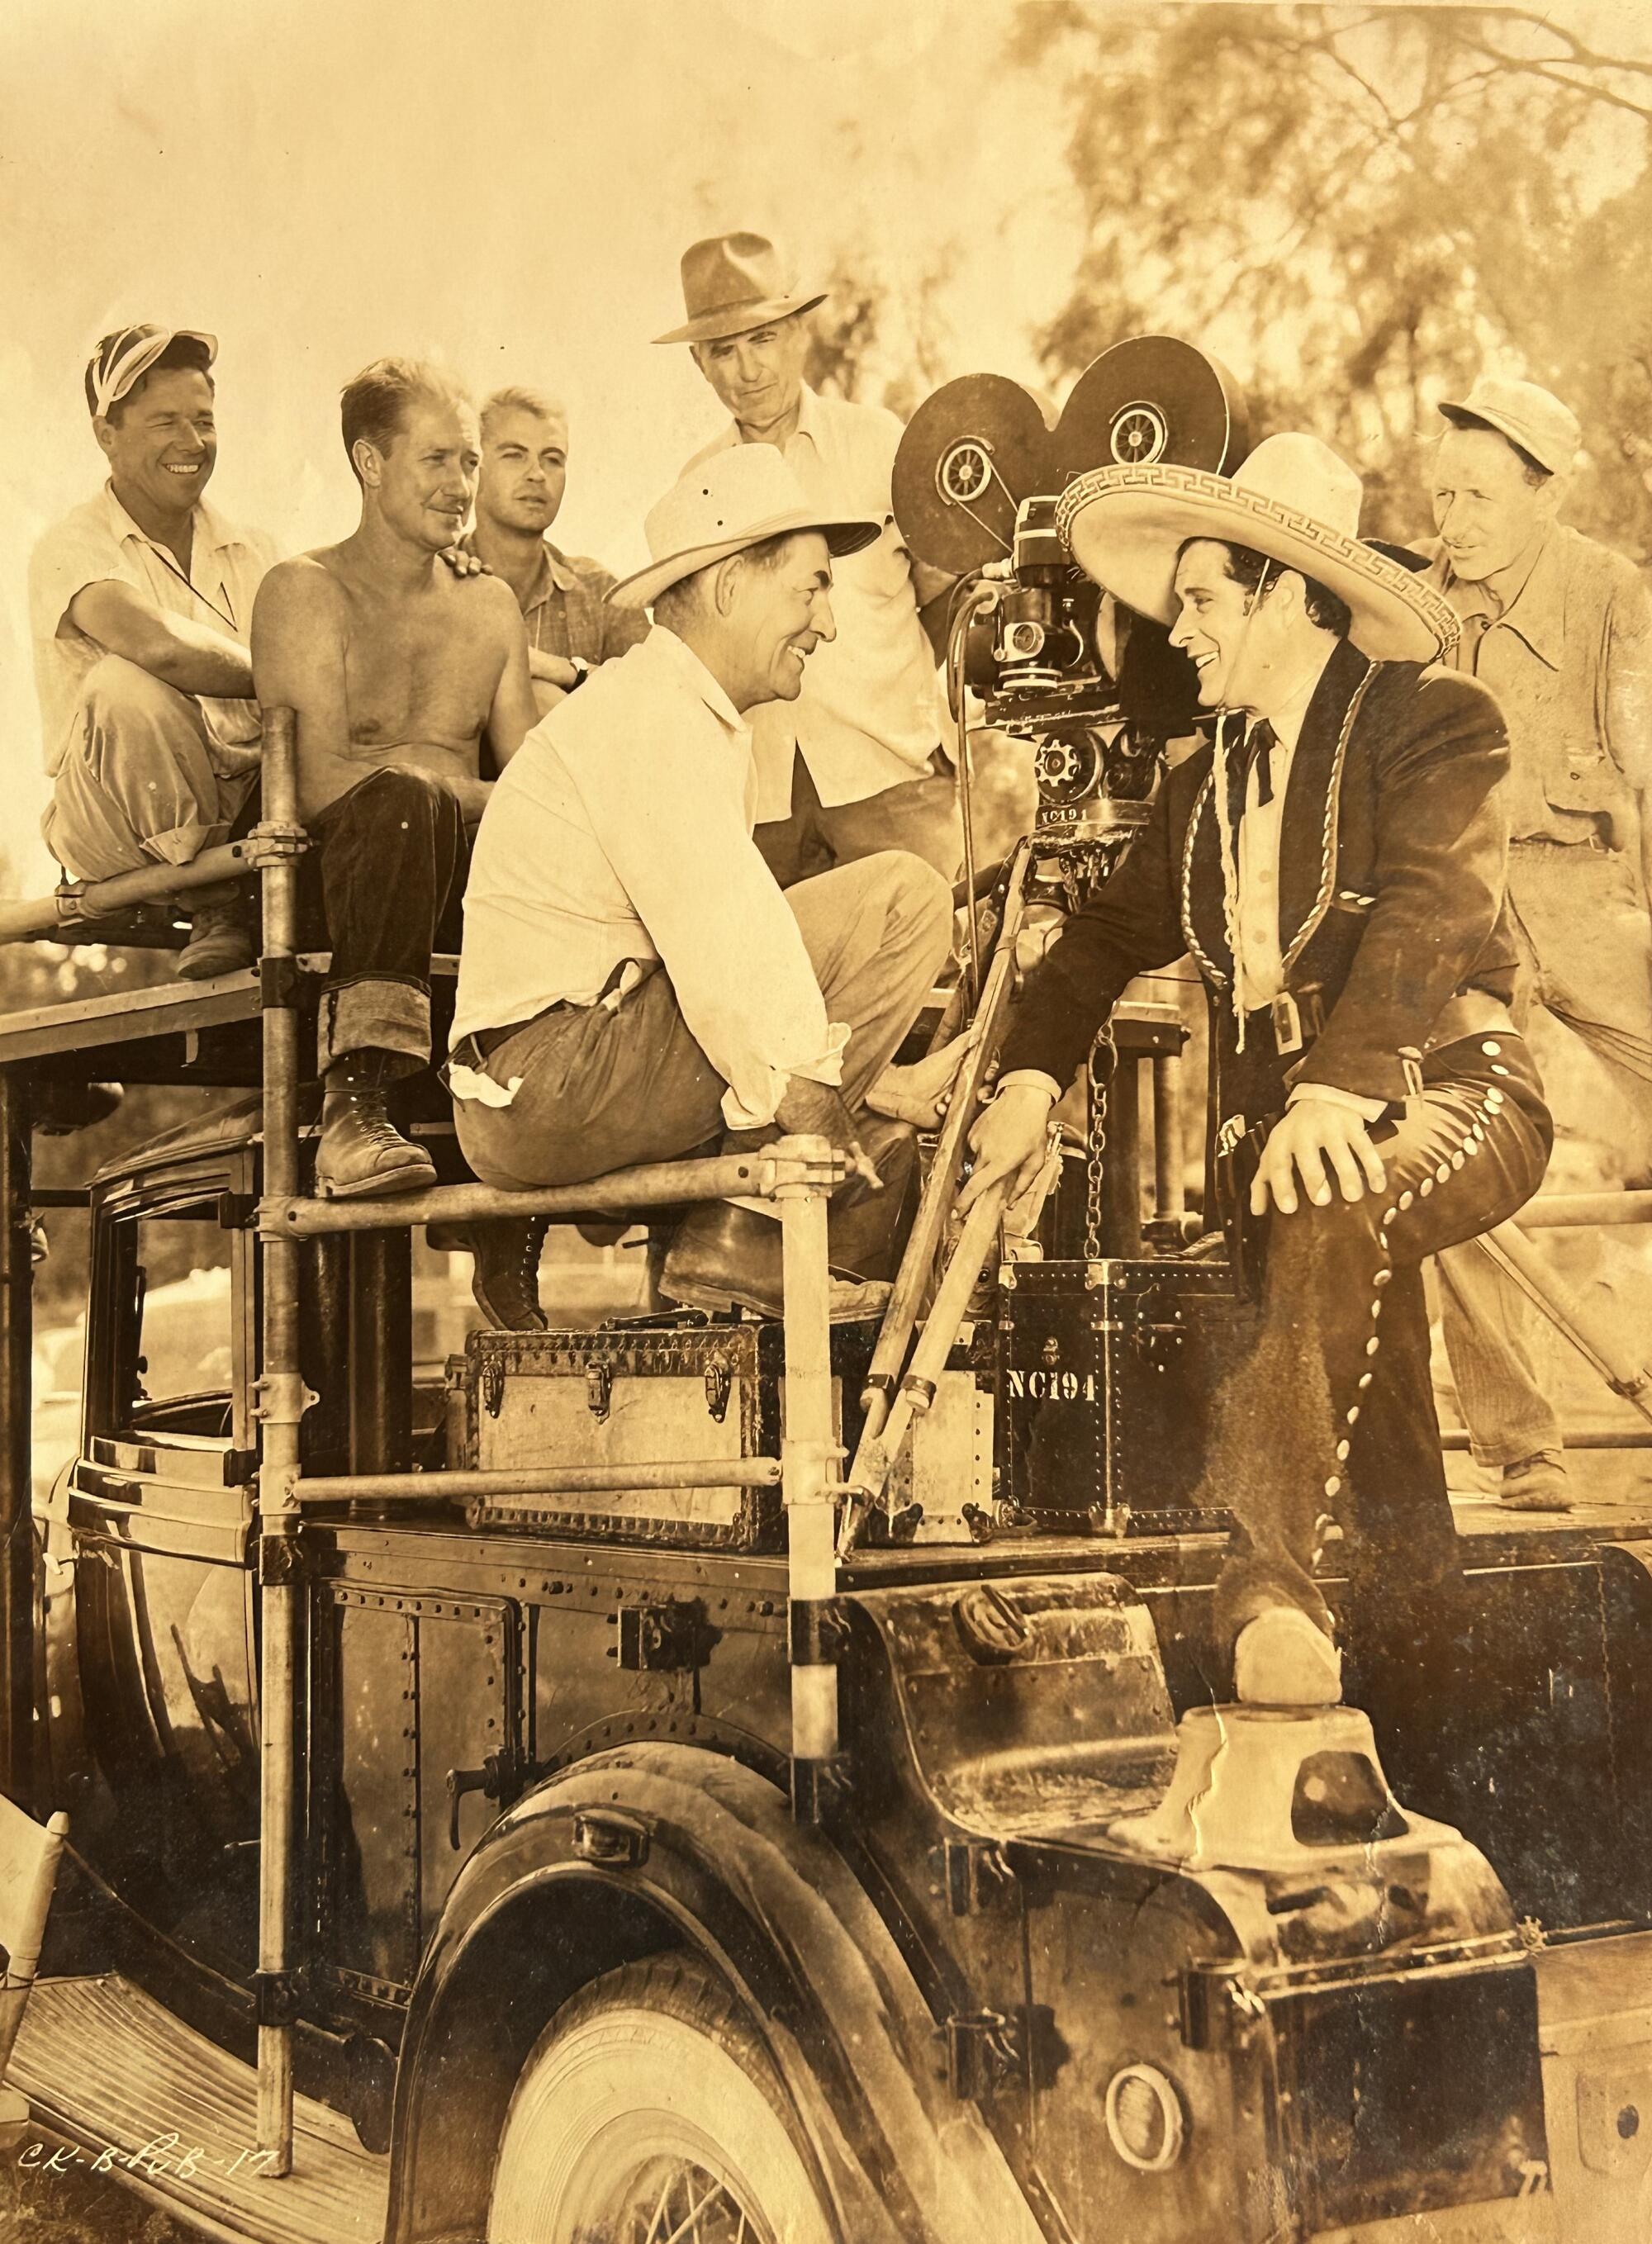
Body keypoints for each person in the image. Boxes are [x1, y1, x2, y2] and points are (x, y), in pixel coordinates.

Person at [961, 434, 1551, 1714]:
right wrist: (1022, 1086)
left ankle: (1266, 1593)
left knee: (1332, 1199)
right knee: (1376, 1408)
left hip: (1454, 1081)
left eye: (1205, 601)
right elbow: (1106, 940)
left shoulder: (1433, 722)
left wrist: (1340, 1087)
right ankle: (1433, 1696)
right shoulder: (1208, 779)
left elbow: (1432, 910)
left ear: (1289, 595)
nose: (1181, 633)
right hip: (1300, 1131)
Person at [447, 444, 958, 1326]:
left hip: (556, 1073)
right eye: (808, 588)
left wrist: (877, 1094)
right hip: (550, 1077)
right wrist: (808, 1124)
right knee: (904, 898)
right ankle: (745, 1243)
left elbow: (710, 974)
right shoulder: (653, 715)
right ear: (727, 587)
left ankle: (751, 1243)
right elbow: (728, 944)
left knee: (866, 1128)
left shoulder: (675, 712)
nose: (826, 624)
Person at [1422, 377, 1652, 1513]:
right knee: (1455, 1146)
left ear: (1542, 493)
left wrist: (1602, 797)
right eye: (1442, 494)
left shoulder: (1611, 591)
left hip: (1588, 898)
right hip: (1473, 918)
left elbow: (1645, 767)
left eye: (1476, 495)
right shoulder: (1411, 610)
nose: (1451, 520)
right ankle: (1522, 1448)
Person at [250, 357, 539, 1203]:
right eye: (437, 460)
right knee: (402, 803)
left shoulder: (488, 608)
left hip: (457, 887)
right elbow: (315, 784)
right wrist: (461, 796)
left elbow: (539, 789)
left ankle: (507, 1205)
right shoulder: (305, 591)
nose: (461, 485)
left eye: (470, 462)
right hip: (331, 882)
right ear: (370, 465)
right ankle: (354, 1107)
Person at [657, 231, 961, 885]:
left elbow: (944, 601)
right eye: (723, 351)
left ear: (799, 332)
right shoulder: (697, 484)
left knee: (932, 972)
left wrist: (881, 702)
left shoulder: (878, 443)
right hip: (756, 807)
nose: (748, 371)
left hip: (892, 779)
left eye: (763, 339)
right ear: (699, 366)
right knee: (771, 985)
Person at [29, 325, 278, 977]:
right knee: (125, 683)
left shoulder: (254, 549)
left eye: (204, 420)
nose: (191, 442)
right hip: (112, 817)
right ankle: (216, 902)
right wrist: (286, 676)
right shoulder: (72, 543)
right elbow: (156, 647)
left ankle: (229, 891)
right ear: (105, 434)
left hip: (236, 803)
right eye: (164, 421)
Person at [464, 387, 648, 717]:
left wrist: (565, 671)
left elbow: (661, 699)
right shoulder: (432, 577)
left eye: (552, 459)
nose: (537, 474)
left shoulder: (603, 593)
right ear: (475, 467)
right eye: (514, 455)